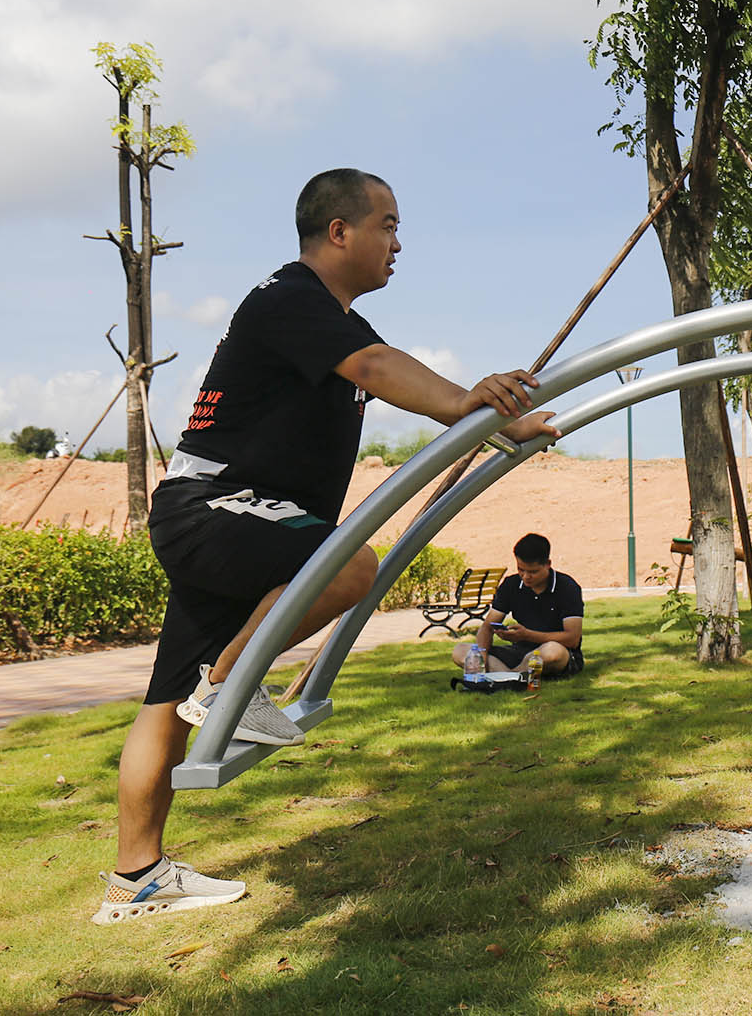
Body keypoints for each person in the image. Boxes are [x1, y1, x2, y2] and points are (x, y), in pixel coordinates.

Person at [95, 168, 559, 925]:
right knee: (351, 564)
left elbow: (384, 368)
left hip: (244, 522)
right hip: (214, 508)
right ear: (339, 231)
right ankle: (229, 688)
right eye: (387, 224)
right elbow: (379, 370)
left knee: (163, 704)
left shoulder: (332, 319)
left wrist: (497, 423)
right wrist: (470, 398)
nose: (398, 242)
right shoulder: (289, 298)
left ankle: (136, 878)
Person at [453, 532, 585, 677]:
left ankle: (506, 676)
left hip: (556, 652)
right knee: (460, 651)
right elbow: (487, 627)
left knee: (552, 652)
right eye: (521, 570)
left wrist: (527, 635)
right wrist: (481, 656)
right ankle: (514, 677)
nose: (526, 577)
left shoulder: (567, 587)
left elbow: (572, 639)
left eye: (533, 572)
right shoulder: (511, 585)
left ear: (547, 565)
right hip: (517, 653)